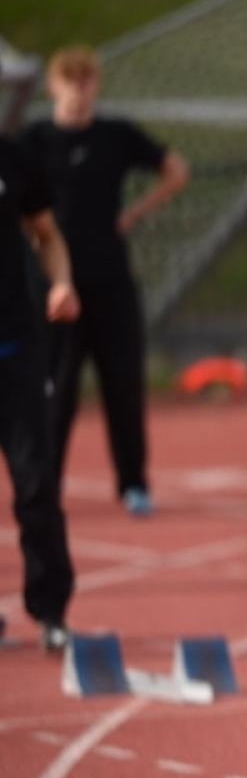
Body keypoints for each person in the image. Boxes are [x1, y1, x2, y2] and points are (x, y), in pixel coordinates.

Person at [21, 46, 189, 516]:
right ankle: (46, 484)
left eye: (86, 80)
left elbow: (176, 170)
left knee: (123, 385)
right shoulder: (34, 140)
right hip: (56, 285)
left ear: (95, 84)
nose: (78, 90)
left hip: (110, 280)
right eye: (69, 80)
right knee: (56, 388)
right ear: (53, 86)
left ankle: (133, 483)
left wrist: (135, 213)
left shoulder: (115, 135)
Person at [0, 135, 79, 652]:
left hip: (15, 353)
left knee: (36, 485)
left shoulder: (13, 157)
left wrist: (62, 282)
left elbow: (46, 234)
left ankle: (50, 610)